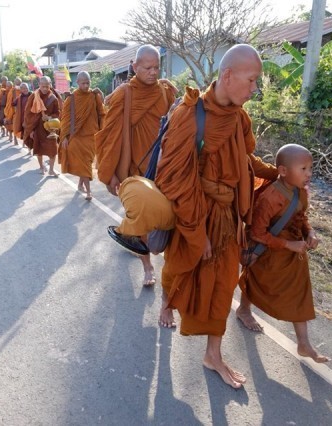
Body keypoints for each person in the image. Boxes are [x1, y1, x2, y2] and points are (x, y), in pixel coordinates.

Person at [155, 44, 279, 388]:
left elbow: (243, 161)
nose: (255, 88)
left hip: (226, 219)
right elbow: (174, 179)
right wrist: (197, 234)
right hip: (193, 213)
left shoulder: (238, 117)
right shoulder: (188, 116)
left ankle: (213, 354)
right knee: (179, 265)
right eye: (252, 80)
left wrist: (276, 175)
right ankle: (166, 304)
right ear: (228, 75)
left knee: (223, 285)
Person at [236, 143, 329, 363]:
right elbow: (257, 233)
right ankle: (243, 310)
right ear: (284, 171)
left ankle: (304, 343)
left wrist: (310, 232)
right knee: (254, 282)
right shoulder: (270, 197)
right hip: (269, 253)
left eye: (310, 168)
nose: (309, 174)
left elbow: (301, 218)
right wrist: (288, 245)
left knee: (300, 294)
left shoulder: (299, 192)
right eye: (303, 169)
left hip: (294, 254)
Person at [96, 44, 176, 287]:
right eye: (147, 67)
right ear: (135, 67)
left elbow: (175, 126)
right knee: (142, 218)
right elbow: (109, 136)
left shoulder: (165, 92)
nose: (153, 72)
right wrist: (110, 173)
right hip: (134, 168)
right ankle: (148, 266)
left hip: (163, 167)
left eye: (157, 67)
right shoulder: (124, 94)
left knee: (165, 218)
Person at [58, 71, 105, 200]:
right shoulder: (71, 98)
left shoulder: (94, 96)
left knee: (86, 162)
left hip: (91, 136)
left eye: (88, 83)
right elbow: (65, 120)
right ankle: (89, 192)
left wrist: (103, 131)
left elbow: (102, 113)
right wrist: (64, 137)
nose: (86, 86)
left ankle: (80, 184)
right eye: (83, 83)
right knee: (84, 164)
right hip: (77, 137)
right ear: (77, 82)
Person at [23, 76, 61, 176]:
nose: (45, 89)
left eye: (47, 86)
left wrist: (49, 117)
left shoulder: (53, 98)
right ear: (39, 85)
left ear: (50, 86)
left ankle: (51, 170)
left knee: (53, 149)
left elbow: (57, 113)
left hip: (50, 128)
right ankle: (41, 167)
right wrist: (31, 129)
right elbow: (28, 114)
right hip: (37, 127)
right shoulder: (33, 97)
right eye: (43, 86)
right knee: (39, 149)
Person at [13, 83, 32, 152]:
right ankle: (28, 147)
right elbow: (13, 103)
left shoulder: (33, 95)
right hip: (23, 118)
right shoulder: (19, 97)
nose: (25, 89)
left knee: (31, 133)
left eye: (26, 88)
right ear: (20, 90)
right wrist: (14, 92)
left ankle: (29, 147)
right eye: (23, 88)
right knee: (25, 133)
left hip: (31, 118)